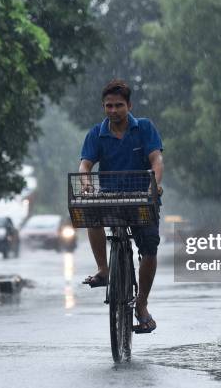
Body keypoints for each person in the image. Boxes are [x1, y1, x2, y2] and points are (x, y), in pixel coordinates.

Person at [79, 79, 164, 334]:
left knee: (149, 247)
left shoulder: (145, 128)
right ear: (103, 107)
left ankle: (142, 304)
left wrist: (154, 185)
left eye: (118, 105)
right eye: (108, 106)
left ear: (129, 105)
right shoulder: (97, 133)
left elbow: (156, 159)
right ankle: (104, 270)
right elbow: (85, 165)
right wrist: (85, 183)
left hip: (141, 198)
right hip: (111, 198)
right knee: (90, 214)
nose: (113, 110)